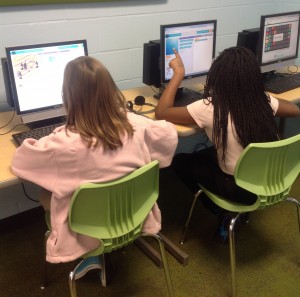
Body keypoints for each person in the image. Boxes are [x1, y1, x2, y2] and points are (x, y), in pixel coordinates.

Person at [11, 56, 178, 265]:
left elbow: (20, 163)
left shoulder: (64, 144)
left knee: (47, 192)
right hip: (132, 217)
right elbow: (169, 135)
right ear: (111, 90)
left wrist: (50, 136)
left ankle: (90, 253)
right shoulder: (137, 124)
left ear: (67, 97)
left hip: (85, 230)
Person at [155, 46, 300, 241]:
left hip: (240, 190)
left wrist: (178, 74)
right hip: (275, 181)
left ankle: (221, 211)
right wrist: (266, 99)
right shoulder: (263, 99)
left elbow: (162, 112)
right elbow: (293, 109)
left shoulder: (210, 107)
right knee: (209, 152)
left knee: (180, 161)